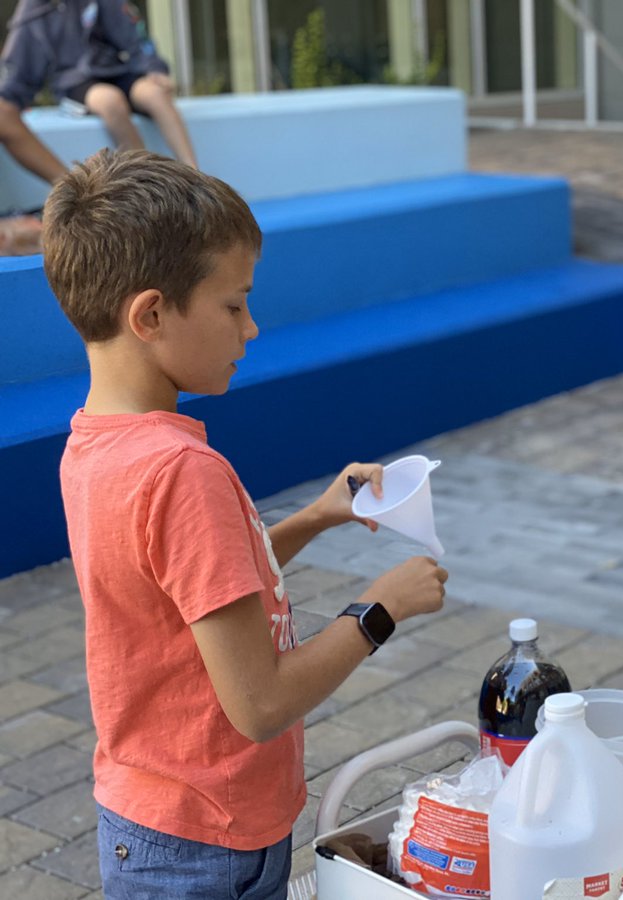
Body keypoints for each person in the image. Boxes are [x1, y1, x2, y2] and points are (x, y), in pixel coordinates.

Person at [41, 148, 448, 900]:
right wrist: (380, 608)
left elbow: (192, 592)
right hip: (206, 842)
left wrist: (319, 518)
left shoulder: (94, 442)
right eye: (234, 305)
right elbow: (258, 706)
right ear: (152, 314)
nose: (251, 328)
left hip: (151, 816)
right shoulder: (182, 473)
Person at [0, 0, 197, 183]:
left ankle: (195, 177)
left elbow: (134, 34)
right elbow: (17, 69)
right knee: (110, 101)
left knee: (155, 94)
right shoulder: (35, 9)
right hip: (75, 82)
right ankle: (142, 182)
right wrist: (13, 98)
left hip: (116, 70)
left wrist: (154, 68)